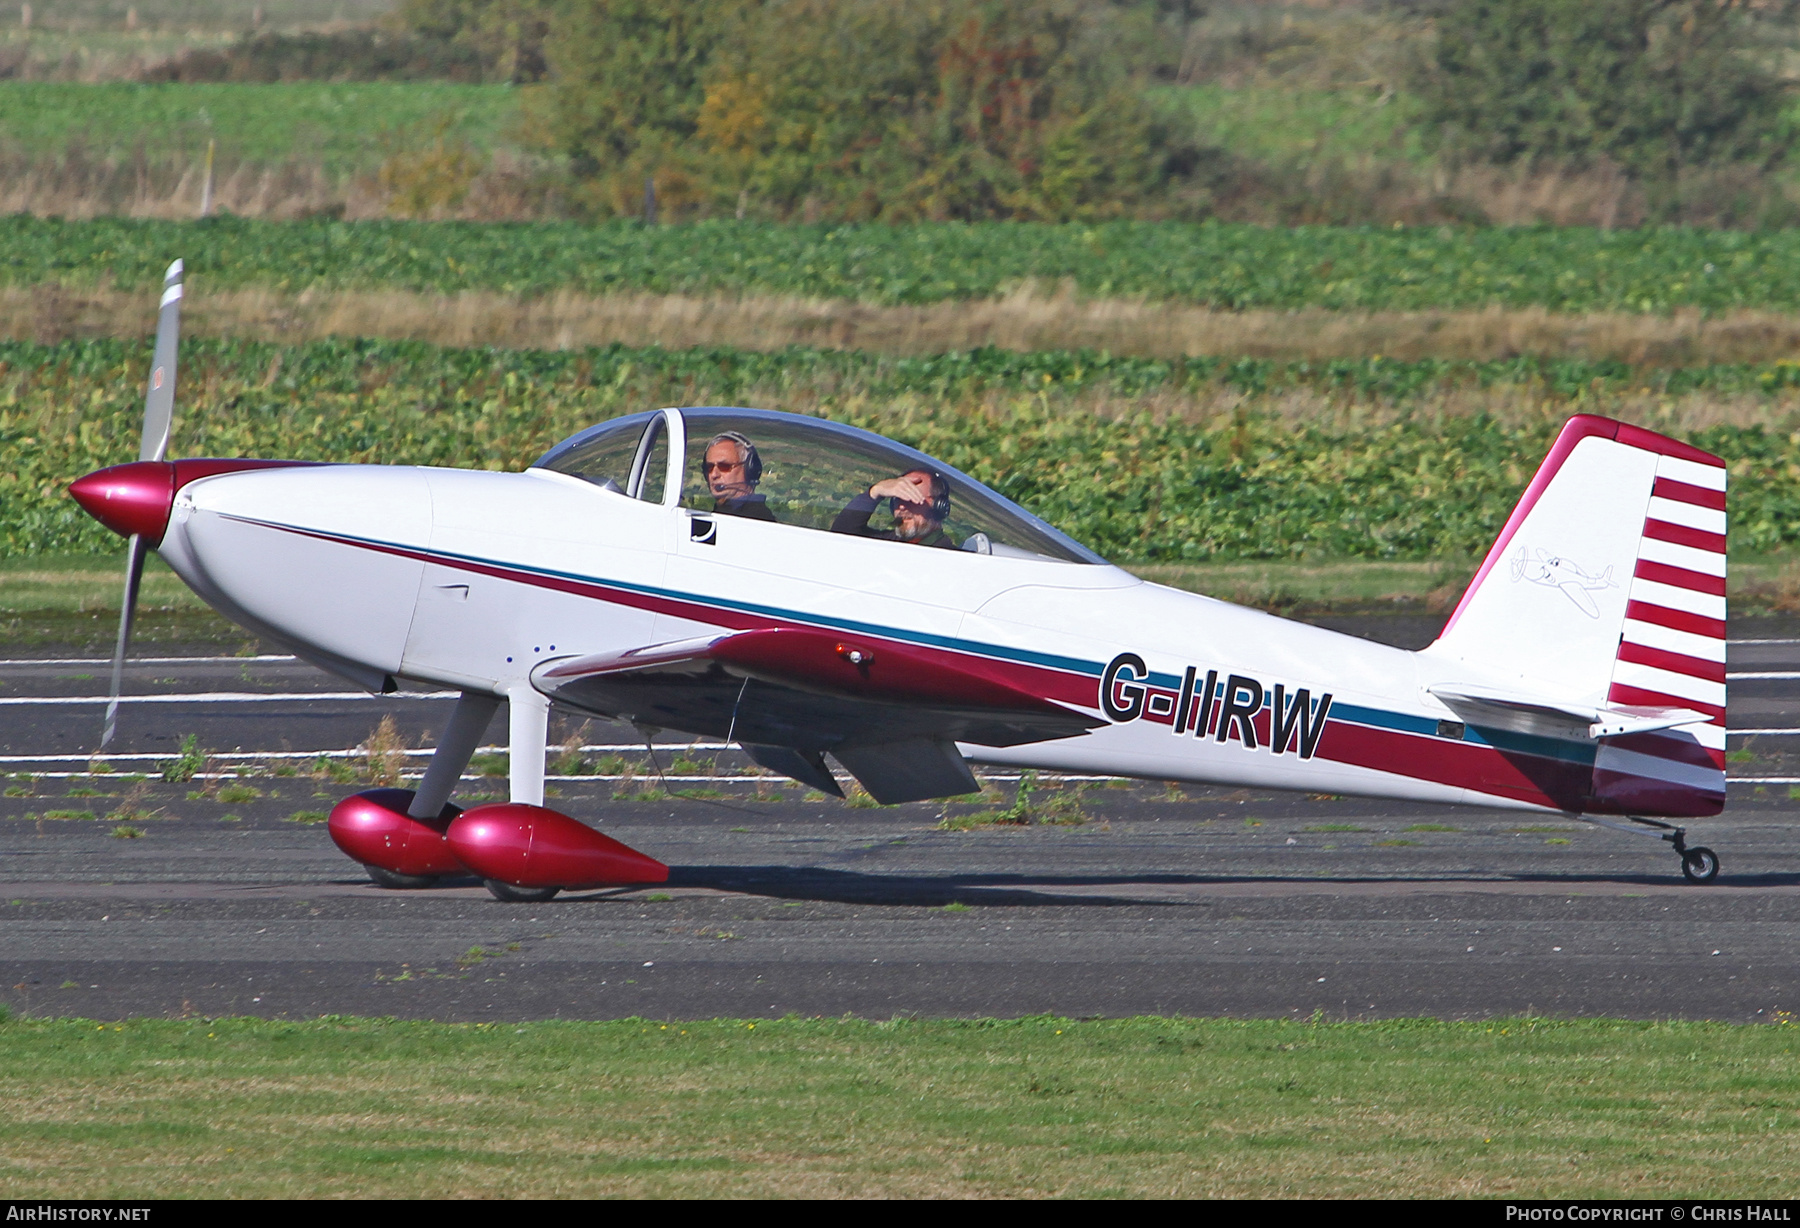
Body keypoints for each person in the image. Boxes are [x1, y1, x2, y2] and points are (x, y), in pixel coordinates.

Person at [832, 468, 958, 548]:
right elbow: (841, 536)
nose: (902, 507)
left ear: (939, 507)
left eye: (912, 498)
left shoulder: (950, 558)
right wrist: (875, 492)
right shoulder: (892, 543)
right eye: (898, 498)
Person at [700, 431, 776, 521]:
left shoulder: (756, 519)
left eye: (724, 466)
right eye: (709, 467)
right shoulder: (724, 512)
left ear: (750, 469)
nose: (714, 474)